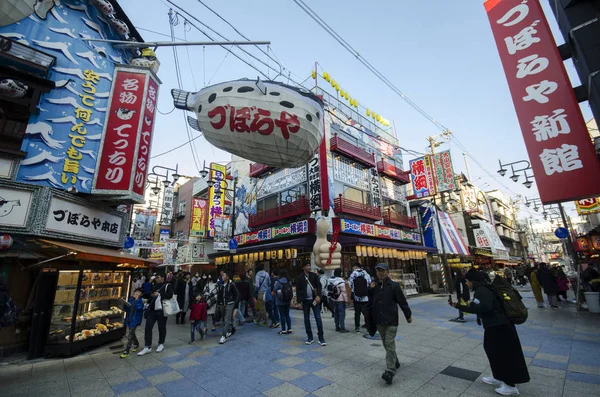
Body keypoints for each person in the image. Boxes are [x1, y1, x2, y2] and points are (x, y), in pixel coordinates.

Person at [450, 268, 529, 395]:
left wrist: (472, 306)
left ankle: (510, 385)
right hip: (495, 326)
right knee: (492, 351)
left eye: (467, 281)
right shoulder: (484, 289)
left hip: (499, 327)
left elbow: (484, 307)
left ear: (473, 281)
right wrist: (458, 306)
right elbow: (480, 306)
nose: (466, 283)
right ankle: (498, 376)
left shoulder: (482, 291)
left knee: (502, 354)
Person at [370, 263, 412, 385]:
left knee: (389, 343)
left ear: (387, 272)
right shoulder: (375, 286)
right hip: (379, 321)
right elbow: (368, 300)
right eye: (378, 271)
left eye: (382, 271)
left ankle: (390, 371)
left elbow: (402, 301)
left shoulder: (394, 286)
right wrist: (370, 289)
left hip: (391, 320)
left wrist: (408, 315)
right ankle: (395, 361)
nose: (380, 273)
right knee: (386, 344)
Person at [138, 274, 173, 356]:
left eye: (158, 277)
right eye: (156, 277)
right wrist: (147, 300)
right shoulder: (154, 285)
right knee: (148, 327)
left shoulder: (167, 285)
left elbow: (170, 295)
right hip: (152, 310)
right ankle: (147, 346)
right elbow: (151, 296)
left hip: (162, 310)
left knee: (161, 327)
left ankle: (161, 344)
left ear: (162, 278)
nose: (156, 279)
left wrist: (160, 295)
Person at [296, 263, 326, 346]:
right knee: (306, 319)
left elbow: (319, 287)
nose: (309, 267)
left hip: (314, 300)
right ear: (303, 267)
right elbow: (298, 291)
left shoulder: (314, 275)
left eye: (309, 265)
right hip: (305, 301)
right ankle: (310, 337)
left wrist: (319, 296)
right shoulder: (299, 277)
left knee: (318, 318)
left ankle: (321, 338)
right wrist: (299, 302)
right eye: (306, 265)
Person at [120, 288, 144, 358]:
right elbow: (126, 309)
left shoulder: (140, 301)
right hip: (129, 319)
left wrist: (136, 300)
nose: (136, 293)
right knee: (132, 333)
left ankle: (126, 351)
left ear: (141, 294)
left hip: (135, 320)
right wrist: (124, 303)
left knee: (130, 335)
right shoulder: (131, 299)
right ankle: (136, 344)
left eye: (138, 292)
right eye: (135, 292)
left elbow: (139, 308)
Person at [349, 263, 371, 332]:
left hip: (356, 296)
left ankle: (357, 327)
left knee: (357, 313)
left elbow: (350, 284)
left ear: (355, 266)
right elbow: (369, 282)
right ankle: (368, 327)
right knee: (366, 312)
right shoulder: (365, 273)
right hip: (365, 296)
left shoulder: (353, 274)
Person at [218, 270, 239, 344]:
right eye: (222, 275)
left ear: (227, 277)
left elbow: (237, 295)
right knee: (224, 319)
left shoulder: (232, 285)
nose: (222, 276)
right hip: (222, 304)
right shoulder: (221, 285)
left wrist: (236, 307)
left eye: (224, 275)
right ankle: (229, 330)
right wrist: (218, 304)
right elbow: (219, 296)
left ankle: (223, 336)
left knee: (227, 319)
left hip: (230, 304)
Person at [328, 268, 349, 332]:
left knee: (336, 313)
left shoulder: (330, 280)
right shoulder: (341, 281)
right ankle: (342, 328)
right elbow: (344, 292)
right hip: (340, 300)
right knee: (341, 314)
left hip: (333, 299)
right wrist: (346, 301)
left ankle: (337, 327)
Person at [274, 269, 293, 334]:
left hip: (280, 301)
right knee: (287, 314)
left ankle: (283, 330)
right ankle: (289, 329)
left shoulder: (278, 282)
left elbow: (275, 290)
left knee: (282, 315)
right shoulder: (289, 281)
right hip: (288, 300)